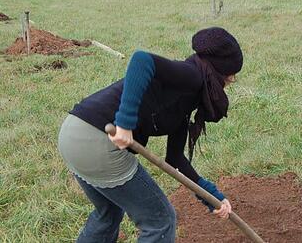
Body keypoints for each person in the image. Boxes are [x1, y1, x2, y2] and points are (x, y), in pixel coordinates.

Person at [58, 27, 243, 243]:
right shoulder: (191, 75)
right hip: (97, 140)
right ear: (218, 73)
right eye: (229, 79)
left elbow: (176, 160)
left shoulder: (184, 99)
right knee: (160, 221)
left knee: (108, 212)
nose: (228, 85)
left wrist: (212, 196)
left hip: (72, 133)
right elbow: (141, 60)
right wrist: (125, 123)